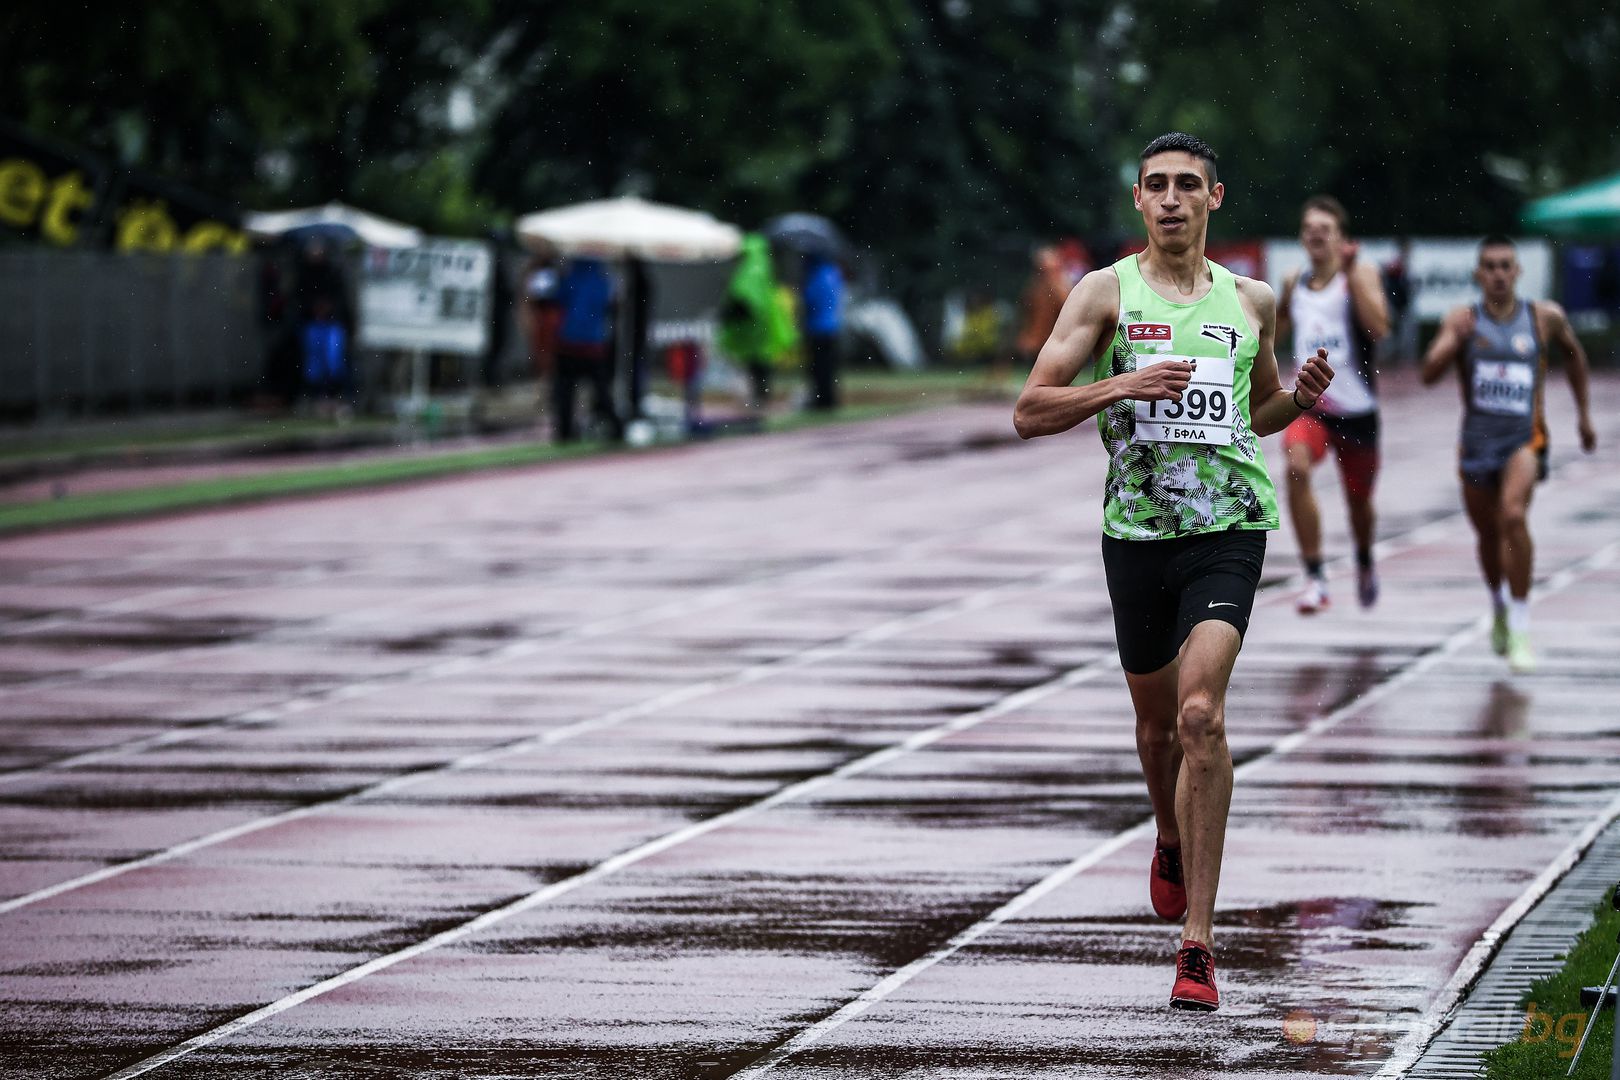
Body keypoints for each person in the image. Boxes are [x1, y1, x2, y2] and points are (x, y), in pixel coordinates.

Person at [1013, 132, 1333, 1012]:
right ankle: (1166, 830)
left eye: (1188, 185)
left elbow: (1255, 413)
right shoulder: (1103, 293)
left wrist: (1297, 402)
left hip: (1229, 530)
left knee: (1201, 715)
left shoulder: (1251, 300)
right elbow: (1030, 410)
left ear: (1215, 199)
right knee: (1157, 733)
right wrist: (1119, 386)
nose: (1171, 200)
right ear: (1137, 198)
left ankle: (1198, 945)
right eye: (1156, 185)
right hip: (1137, 537)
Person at [1421, 235, 1596, 672]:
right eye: (1490, 267)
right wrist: (1451, 342)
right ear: (1478, 275)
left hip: (1524, 440)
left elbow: (1575, 357)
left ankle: (1520, 625)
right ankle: (1499, 603)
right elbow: (1429, 374)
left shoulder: (1543, 318)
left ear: (1517, 272)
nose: (1498, 274)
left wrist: (1584, 416)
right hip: (1476, 446)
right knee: (1486, 536)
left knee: (1513, 517)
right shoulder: (1463, 320)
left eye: (1506, 266)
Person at [1275, 196, 1390, 613]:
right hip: (1312, 407)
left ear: (1342, 239)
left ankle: (1363, 560)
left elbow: (1379, 328)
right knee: (1295, 466)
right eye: (1310, 229)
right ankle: (1316, 577)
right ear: (1302, 238)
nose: (1317, 235)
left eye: (1326, 229)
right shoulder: (1294, 280)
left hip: (1358, 412)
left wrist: (1352, 273)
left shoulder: (1360, 274)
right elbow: (1272, 333)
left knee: (1359, 503)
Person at [718, 233, 799, 408]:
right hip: (763, 326)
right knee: (761, 364)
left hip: (752, 327)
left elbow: (745, 296)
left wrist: (730, 313)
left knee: (755, 364)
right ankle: (762, 396)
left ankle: (759, 397)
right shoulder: (763, 264)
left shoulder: (749, 269)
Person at [552, 257, 623, 443]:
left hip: (568, 340)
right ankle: (616, 427)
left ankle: (565, 431)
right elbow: (608, 306)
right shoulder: (602, 281)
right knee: (601, 389)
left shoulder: (569, 278)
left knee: (565, 390)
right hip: (593, 342)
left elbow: (559, 300)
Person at [801, 254, 844, 410]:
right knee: (829, 367)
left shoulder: (817, 275)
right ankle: (830, 399)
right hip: (833, 325)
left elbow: (811, 299)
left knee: (819, 368)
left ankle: (822, 400)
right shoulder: (833, 272)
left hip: (818, 327)